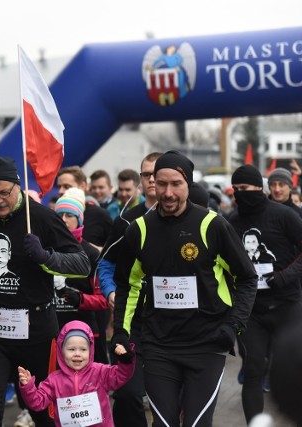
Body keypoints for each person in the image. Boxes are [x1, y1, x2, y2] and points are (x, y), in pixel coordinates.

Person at [112, 150, 258, 427]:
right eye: (161, 183)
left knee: (196, 423)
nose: (167, 193)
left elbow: (247, 278)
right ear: (152, 183)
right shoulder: (139, 230)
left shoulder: (211, 225)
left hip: (207, 344)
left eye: (176, 184)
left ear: (188, 185)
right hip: (158, 346)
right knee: (165, 423)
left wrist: (233, 327)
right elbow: (128, 284)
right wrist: (121, 331)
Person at [0, 156, 91, 427]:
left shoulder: (40, 217)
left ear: (17, 187)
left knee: (43, 410)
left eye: (4, 193)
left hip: (37, 331)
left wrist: (46, 257)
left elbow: (82, 265)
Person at [226, 164, 302, 424]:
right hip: (252, 311)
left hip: (287, 306)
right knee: (253, 369)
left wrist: (284, 277)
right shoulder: (231, 222)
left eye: (244, 188)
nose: (239, 194)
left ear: (259, 187)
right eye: (235, 190)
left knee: (295, 368)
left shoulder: (284, 215)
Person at [97, 151, 162, 427]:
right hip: (132, 321)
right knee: (127, 395)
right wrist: (111, 292)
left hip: (173, 326)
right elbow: (105, 264)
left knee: (167, 400)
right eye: (145, 174)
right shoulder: (126, 221)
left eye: (156, 174)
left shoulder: (192, 219)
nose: (151, 180)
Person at [17, 320, 135, 427]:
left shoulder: (100, 372)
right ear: (61, 351)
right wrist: (28, 387)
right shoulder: (54, 380)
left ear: (91, 351)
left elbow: (121, 375)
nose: (77, 354)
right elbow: (37, 402)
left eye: (83, 349)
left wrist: (126, 359)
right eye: (71, 349)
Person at [52, 189, 108, 363]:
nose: (64, 220)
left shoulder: (91, 253)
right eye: (59, 215)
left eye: (69, 215)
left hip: (84, 332)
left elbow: (104, 299)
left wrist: (79, 299)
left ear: (79, 219)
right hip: (53, 331)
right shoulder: (44, 249)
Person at [56, 166, 113, 250]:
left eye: (67, 186)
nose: (60, 191)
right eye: (59, 186)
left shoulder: (100, 215)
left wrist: (97, 251)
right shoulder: (54, 215)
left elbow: (115, 250)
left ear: (82, 186)